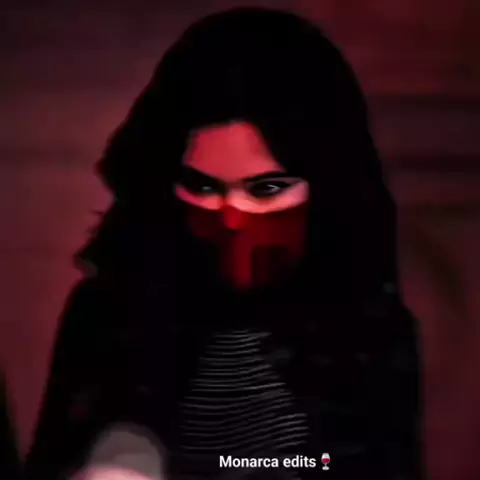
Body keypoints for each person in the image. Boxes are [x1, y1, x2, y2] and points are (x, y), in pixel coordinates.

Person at [24, 7, 423, 480]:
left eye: (266, 189)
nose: (232, 218)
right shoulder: (106, 314)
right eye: (203, 186)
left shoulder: (368, 332)